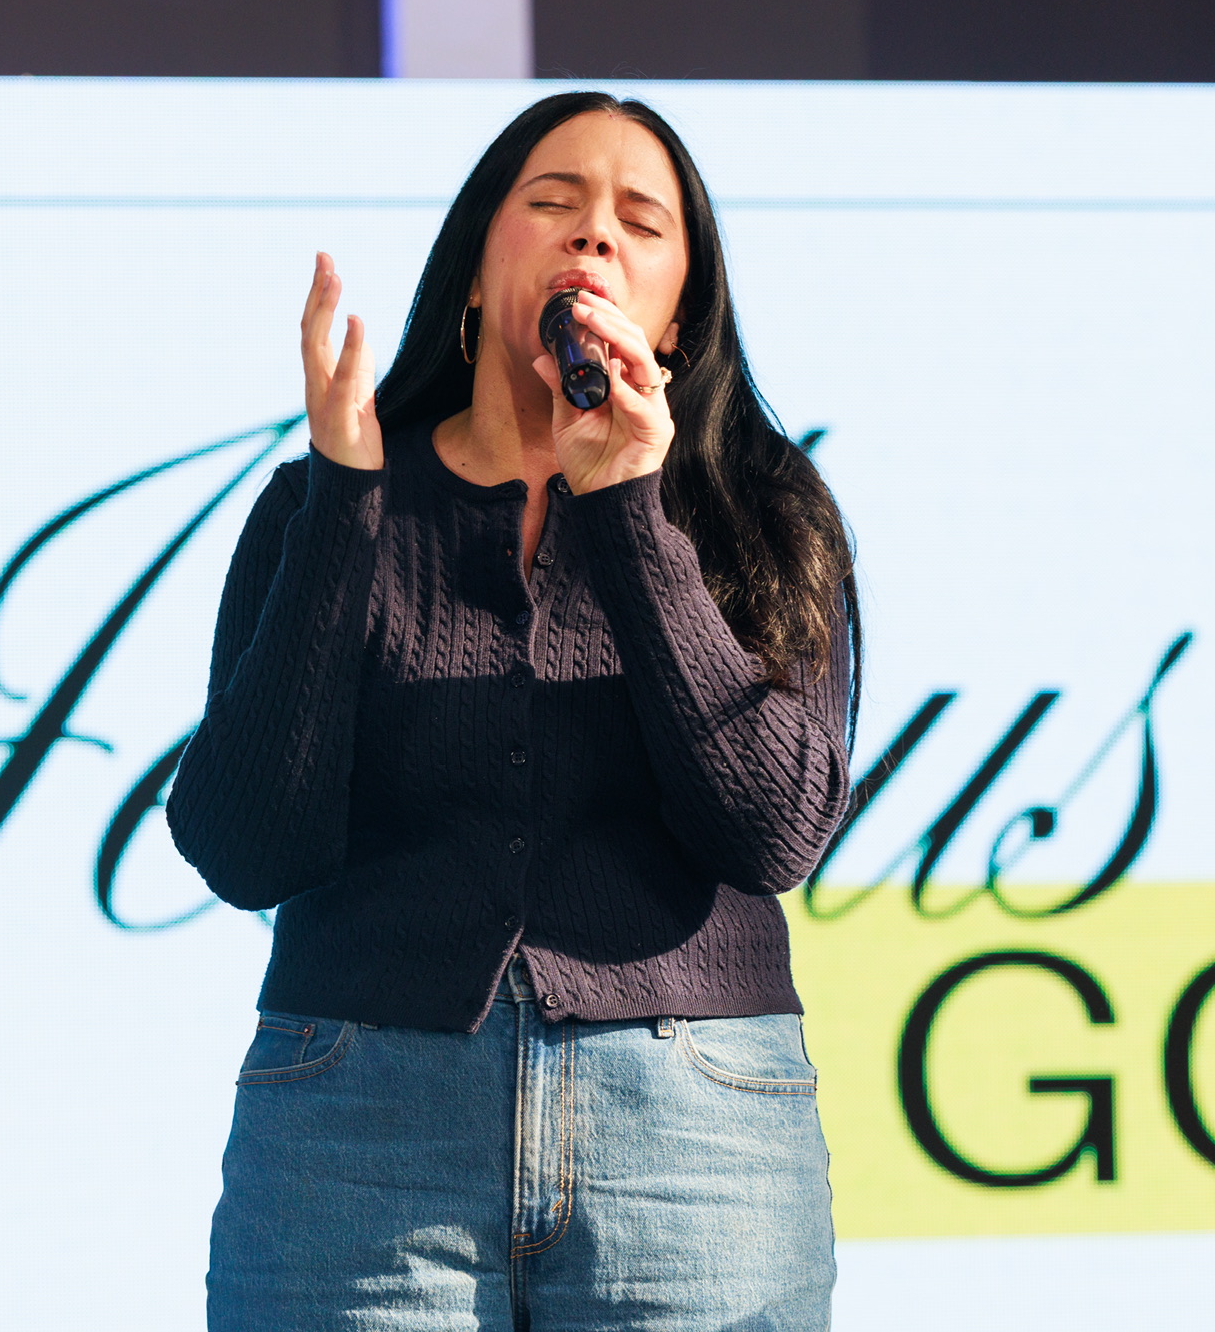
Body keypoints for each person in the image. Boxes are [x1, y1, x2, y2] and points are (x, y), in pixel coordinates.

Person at [167, 90, 861, 1331]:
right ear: (477, 272)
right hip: (358, 1136)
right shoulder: (325, 501)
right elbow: (246, 846)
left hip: (693, 1141)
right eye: (552, 202)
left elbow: (771, 833)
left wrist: (630, 510)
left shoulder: (759, 508)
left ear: (678, 314)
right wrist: (342, 502)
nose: (592, 234)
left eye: (639, 221)